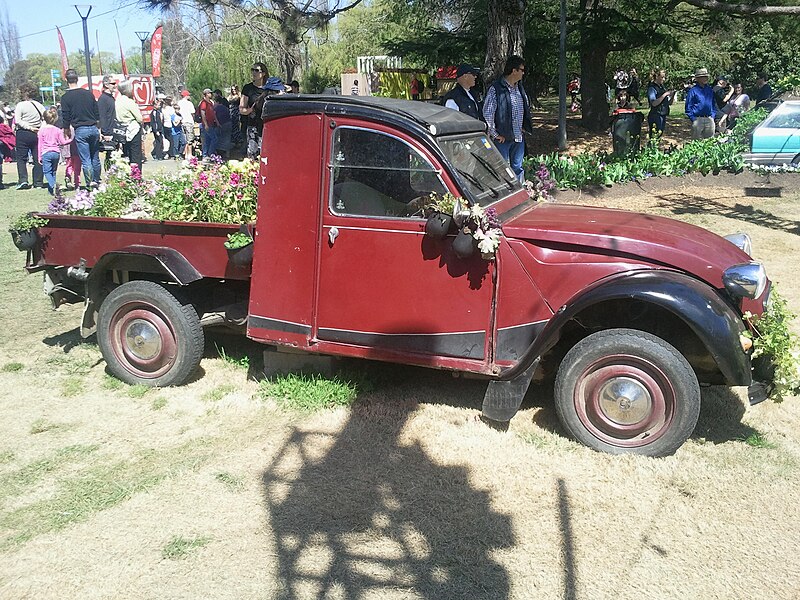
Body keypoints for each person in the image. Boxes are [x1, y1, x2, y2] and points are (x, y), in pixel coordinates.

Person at [482, 55, 533, 182]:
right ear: (514, 71)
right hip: (502, 139)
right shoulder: (496, 89)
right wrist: (494, 133)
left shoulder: (519, 88)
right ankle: (505, 195)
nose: (523, 73)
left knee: (518, 167)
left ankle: (520, 194)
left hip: (518, 136)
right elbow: (488, 113)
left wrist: (524, 127)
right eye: (521, 70)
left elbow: (525, 109)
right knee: (502, 169)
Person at [61, 68, 101, 186]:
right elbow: (96, 111)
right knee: (95, 158)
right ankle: (97, 180)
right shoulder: (88, 94)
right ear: (77, 79)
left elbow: (65, 116)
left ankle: (89, 182)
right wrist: (98, 127)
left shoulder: (65, 98)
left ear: (66, 80)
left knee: (86, 159)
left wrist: (66, 129)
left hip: (80, 129)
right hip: (93, 127)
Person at [12, 82, 45, 190]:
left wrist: (29, 127)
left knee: (21, 158)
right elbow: (45, 118)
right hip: (37, 133)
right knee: (38, 158)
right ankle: (38, 182)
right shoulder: (39, 105)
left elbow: (18, 120)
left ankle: (23, 180)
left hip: (23, 133)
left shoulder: (20, 105)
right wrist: (39, 129)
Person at [37, 107, 73, 195]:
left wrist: (39, 156)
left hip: (46, 152)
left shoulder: (42, 130)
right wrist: (71, 139)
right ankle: (51, 191)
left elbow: (40, 144)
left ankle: (54, 185)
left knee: (47, 172)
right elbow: (63, 142)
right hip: (56, 152)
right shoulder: (57, 130)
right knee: (53, 171)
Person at [240, 62, 270, 159]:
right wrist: (248, 111)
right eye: (252, 70)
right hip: (252, 126)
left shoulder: (269, 89)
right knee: (252, 154)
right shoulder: (248, 88)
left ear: (263, 73)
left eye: (256, 70)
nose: (253, 72)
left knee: (265, 155)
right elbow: (241, 108)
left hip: (267, 126)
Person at [115, 79, 144, 170]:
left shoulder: (117, 101)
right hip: (133, 129)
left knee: (126, 153)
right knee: (136, 155)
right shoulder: (130, 102)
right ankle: (136, 176)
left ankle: (127, 175)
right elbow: (139, 118)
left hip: (123, 130)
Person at [684, 67, 716, 140]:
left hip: (709, 119)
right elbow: (688, 107)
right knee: (696, 143)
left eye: (706, 76)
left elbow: (713, 104)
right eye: (703, 77)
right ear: (698, 79)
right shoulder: (693, 91)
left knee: (710, 143)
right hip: (698, 119)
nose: (705, 78)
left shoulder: (710, 90)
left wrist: (713, 116)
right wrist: (693, 119)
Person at [646, 67, 675, 136]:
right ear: (656, 77)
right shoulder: (652, 88)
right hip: (655, 115)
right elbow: (654, 103)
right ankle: (651, 147)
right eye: (662, 77)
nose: (664, 79)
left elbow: (669, 103)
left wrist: (672, 95)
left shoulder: (662, 88)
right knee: (654, 136)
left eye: (664, 77)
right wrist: (665, 94)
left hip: (663, 114)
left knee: (659, 135)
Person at [97, 75, 117, 168]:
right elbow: (102, 117)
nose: (115, 85)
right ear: (106, 84)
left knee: (114, 156)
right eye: (113, 83)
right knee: (110, 156)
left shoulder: (111, 98)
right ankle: (109, 175)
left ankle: (113, 174)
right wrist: (105, 133)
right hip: (108, 132)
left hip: (114, 130)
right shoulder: (103, 99)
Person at [198, 88, 218, 157]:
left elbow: (213, 113)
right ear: (206, 94)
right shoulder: (204, 103)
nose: (211, 94)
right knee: (214, 139)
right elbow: (203, 113)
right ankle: (209, 153)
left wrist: (217, 122)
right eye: (209, 93)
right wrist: (205, 124)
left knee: (208, 139)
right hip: (207, 124)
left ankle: (206, 154)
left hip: (212, 123)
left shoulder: (210, 103)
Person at [213, 90, 232, 158]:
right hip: (229, 123)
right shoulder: (226, 108)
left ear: (217, 102)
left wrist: (217, 123)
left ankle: (218, 154)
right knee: (227, 138)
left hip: (221, 124)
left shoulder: (216, 108)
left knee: (217, 138)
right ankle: (227, 153)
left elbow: (214, 116)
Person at [177, 89, 196, 160]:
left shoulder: (179, 103)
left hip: (182, 122)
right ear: (186, 96)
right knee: (190, 139)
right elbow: (192, 113)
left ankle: (185, 154)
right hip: (188, 121)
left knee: (185, 139)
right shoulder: (189, 103)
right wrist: (193, 120)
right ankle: (189, 154)